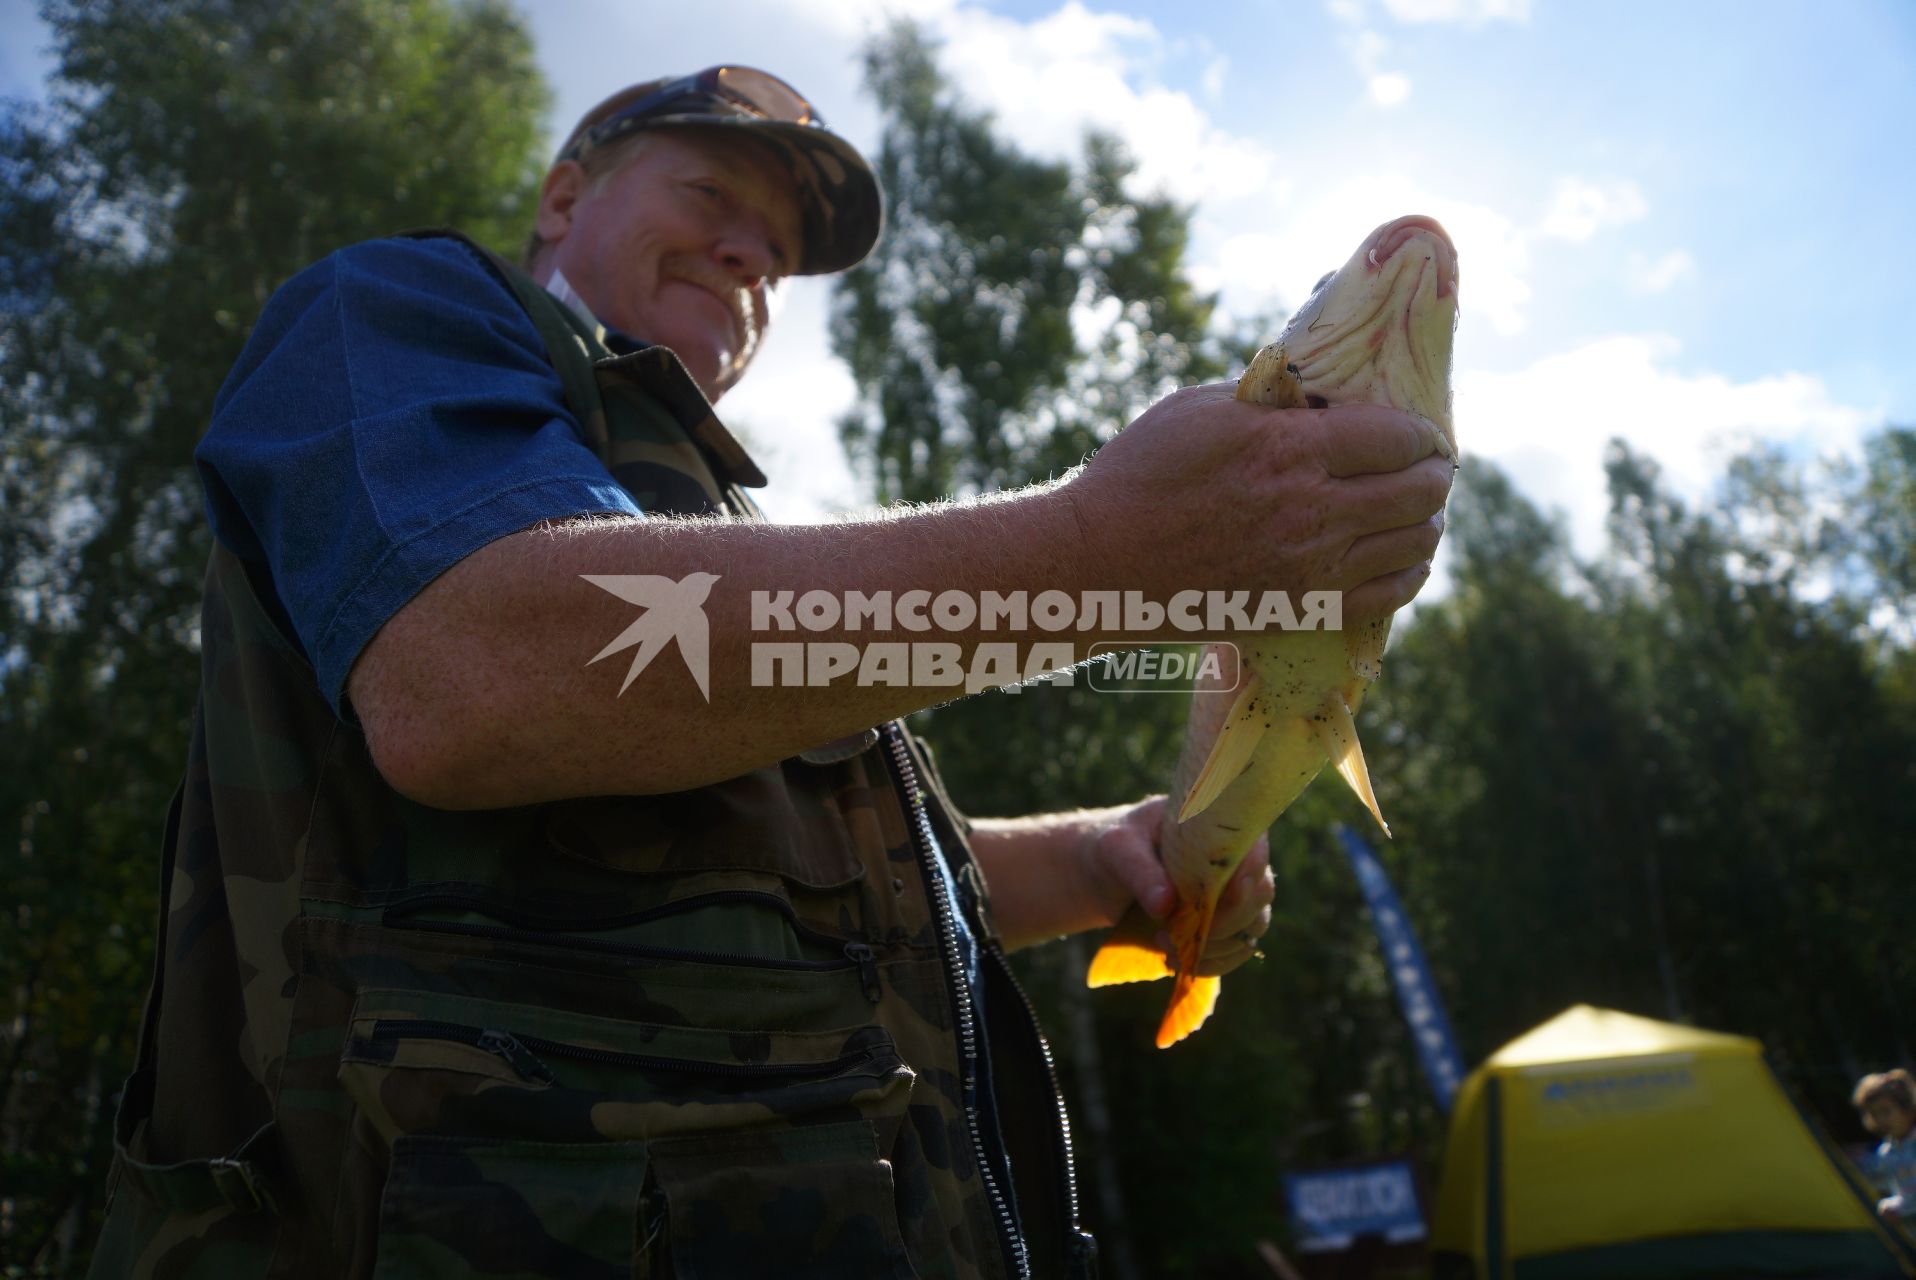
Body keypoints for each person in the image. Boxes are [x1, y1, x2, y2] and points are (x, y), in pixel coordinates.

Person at [89, 65, 1451, 1279]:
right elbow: (476, 676)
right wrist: (1114, 551)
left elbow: (835, 900)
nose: (752, 255)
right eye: (713, 194)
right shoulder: (397, 315)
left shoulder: (739, 550)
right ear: (566, 198)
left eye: (780, 254)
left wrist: (1105, 859)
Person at [1855, 1069, 1916, 1220]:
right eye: (1874, 1114)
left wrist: (1901, 1207)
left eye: (1885, 1111)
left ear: (1908, 1110)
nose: (1880, 1120)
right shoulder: (1886, 1152)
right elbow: (1901, 1193)